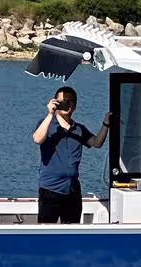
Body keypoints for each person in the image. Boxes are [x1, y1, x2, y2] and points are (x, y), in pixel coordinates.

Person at [32, 86, 112, 223]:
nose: (67, 105)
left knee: (72, 231)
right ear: (55, 103)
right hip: (50, 189)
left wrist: (106, 124)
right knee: (46, 233)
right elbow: (37, 139)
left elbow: (97, 143)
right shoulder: (47, 125)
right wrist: (50, 114)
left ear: (75, 105)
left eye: (71, 101)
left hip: (73, 190)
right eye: (63, 102)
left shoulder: (79, 129)